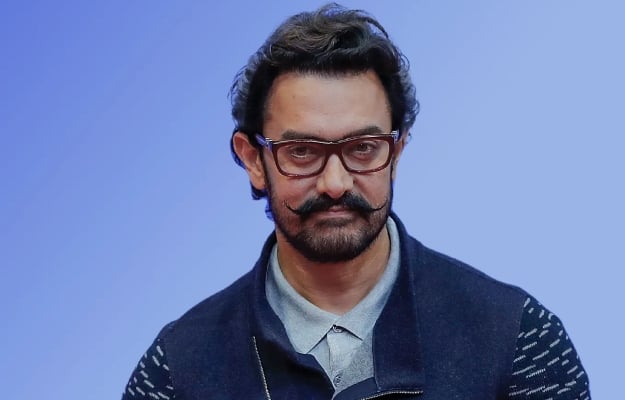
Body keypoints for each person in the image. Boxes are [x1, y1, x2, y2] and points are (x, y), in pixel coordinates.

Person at [122, 3, 590, 399]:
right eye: (302, 151)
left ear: (396, 153)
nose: (334, 182)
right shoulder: (176, 372)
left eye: (362, 148)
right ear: (253, 160)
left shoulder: (518, 342)